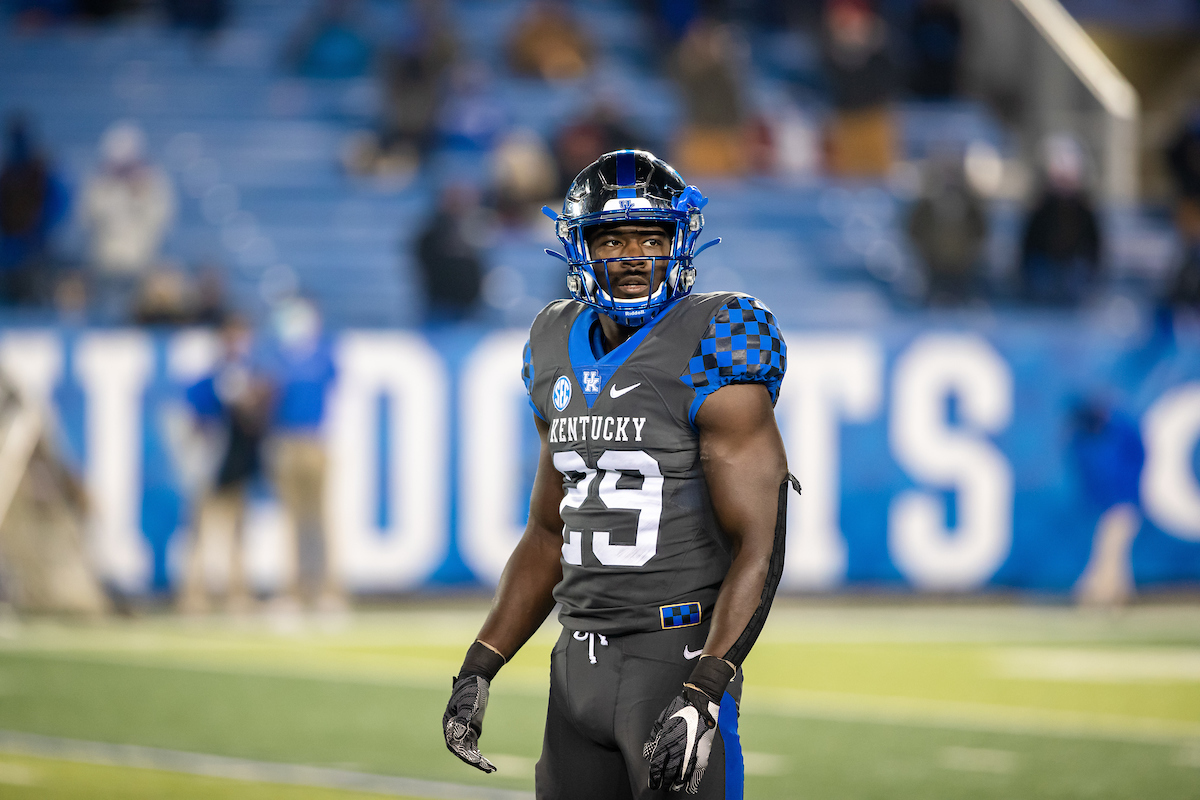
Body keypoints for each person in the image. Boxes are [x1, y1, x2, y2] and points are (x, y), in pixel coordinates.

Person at [442, 150, 795, 798]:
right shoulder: (553, 341)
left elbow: (760, 543)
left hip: (673, 656)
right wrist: (480, 663)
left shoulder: (717, 336)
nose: (634, 255)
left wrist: (708, 685)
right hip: (576, 661)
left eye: (651, 238)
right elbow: (549, 533)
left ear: (679, 245)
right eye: (613, 239)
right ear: (581, 248)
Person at [261, 297, 341, 610]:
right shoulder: (278, 356)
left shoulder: (322, 354)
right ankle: (294, 590)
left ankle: (327, 590)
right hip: (284, 441)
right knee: (292, 519)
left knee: (318, 518)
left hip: (314, 440)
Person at [80, 121, 176, 322]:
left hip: (142, 260)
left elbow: (161, 218)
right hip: (105, 262)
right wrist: (113, 193)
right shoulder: (99, 182)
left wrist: (139, 197)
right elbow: (89, 216)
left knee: (136, 314)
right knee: (105, 315)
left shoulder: (152, 181)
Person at [1018, 134, 1101, 305]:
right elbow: (1028, 245)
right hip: (1046, 270)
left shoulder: (1084, 210)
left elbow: (1094, 245)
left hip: (1073, 270)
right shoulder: (1041, 209)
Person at [0, 115, 69, 306]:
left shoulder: (41, 172)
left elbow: (58, 204)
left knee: (34, 300)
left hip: (35, 247)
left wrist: (42, 228)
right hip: (13, 247)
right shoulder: (8, 171)